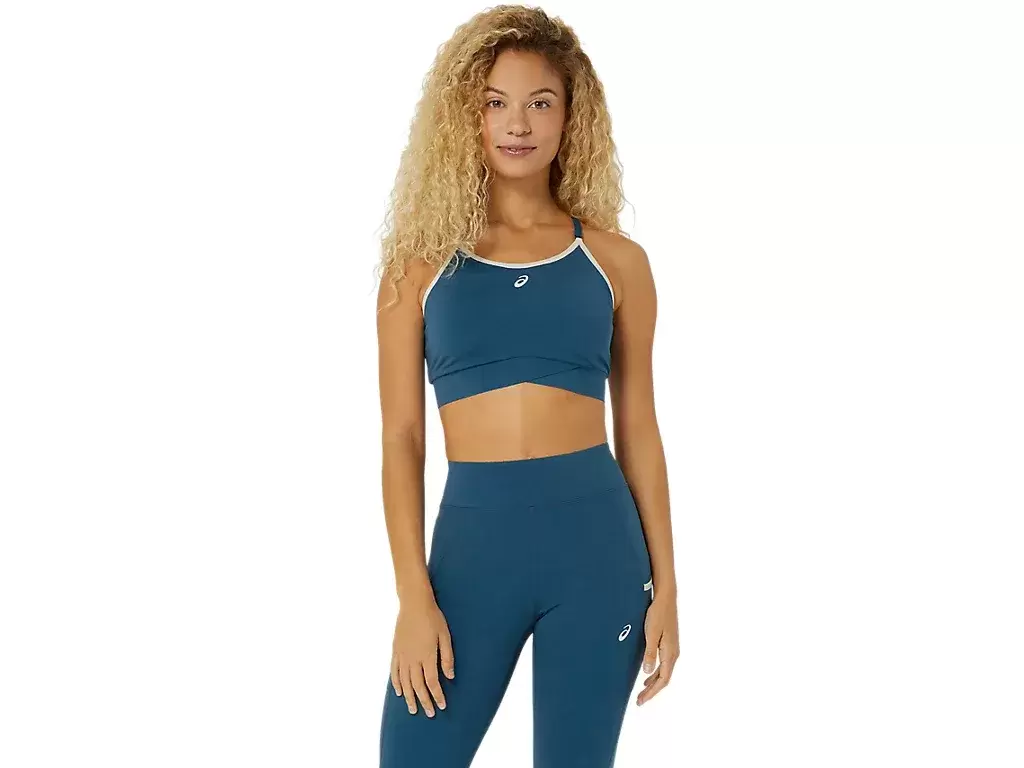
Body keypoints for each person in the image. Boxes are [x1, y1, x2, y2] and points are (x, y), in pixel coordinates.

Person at [374, 6, 678, 766]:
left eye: (540, 102)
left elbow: (639, 428)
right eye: (495, 103)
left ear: (571, 117)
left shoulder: (617, 262)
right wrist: (413, 595)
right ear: (465, 116)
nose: (518, 124)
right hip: (472, 552)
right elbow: (402, 438)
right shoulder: (418, 271)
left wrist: (668, 586)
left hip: (599, 549)